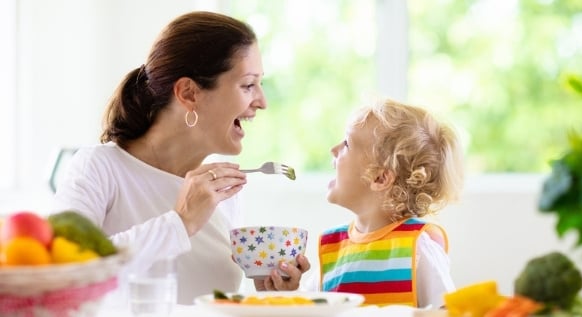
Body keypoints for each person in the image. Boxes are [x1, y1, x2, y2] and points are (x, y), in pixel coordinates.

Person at [51, 11, 310, 304]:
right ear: (189, 93)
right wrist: (180, 223)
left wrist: (269, 294)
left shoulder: (222, 190)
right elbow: (64, 273)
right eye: (248, 85)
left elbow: (207, 301)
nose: (262, 101)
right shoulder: (98, 168)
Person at [318, 98, 464, 308]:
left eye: (347, 144)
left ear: (380, 178)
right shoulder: (333, 247)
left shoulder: (418, 247)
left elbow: (447, 311)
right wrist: (284, 292)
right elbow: (306, 308)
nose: (334, 149)